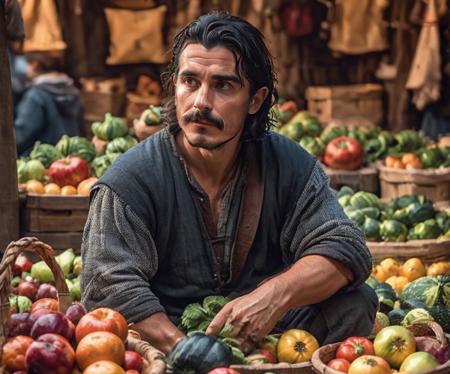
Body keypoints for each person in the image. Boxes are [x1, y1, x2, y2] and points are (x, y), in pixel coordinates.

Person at [81, 12, 377, 354]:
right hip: (165, 340)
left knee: (356, 302)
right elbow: (107, 285)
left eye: (223, 85)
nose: (201, 102)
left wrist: (272, 296)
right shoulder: (130, 180)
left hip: (273, 334)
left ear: (255, 100)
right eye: (190, 81)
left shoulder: (289, 165)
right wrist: (193, 354)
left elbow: (344, 248)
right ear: (174, 85)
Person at [14, 51, 83, 156]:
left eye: (27, 64)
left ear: (34, 65)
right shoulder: (73, 91)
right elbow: (81, 129)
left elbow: (23, 133)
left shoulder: (36, 95)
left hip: (43, 162)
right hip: (72, 159)